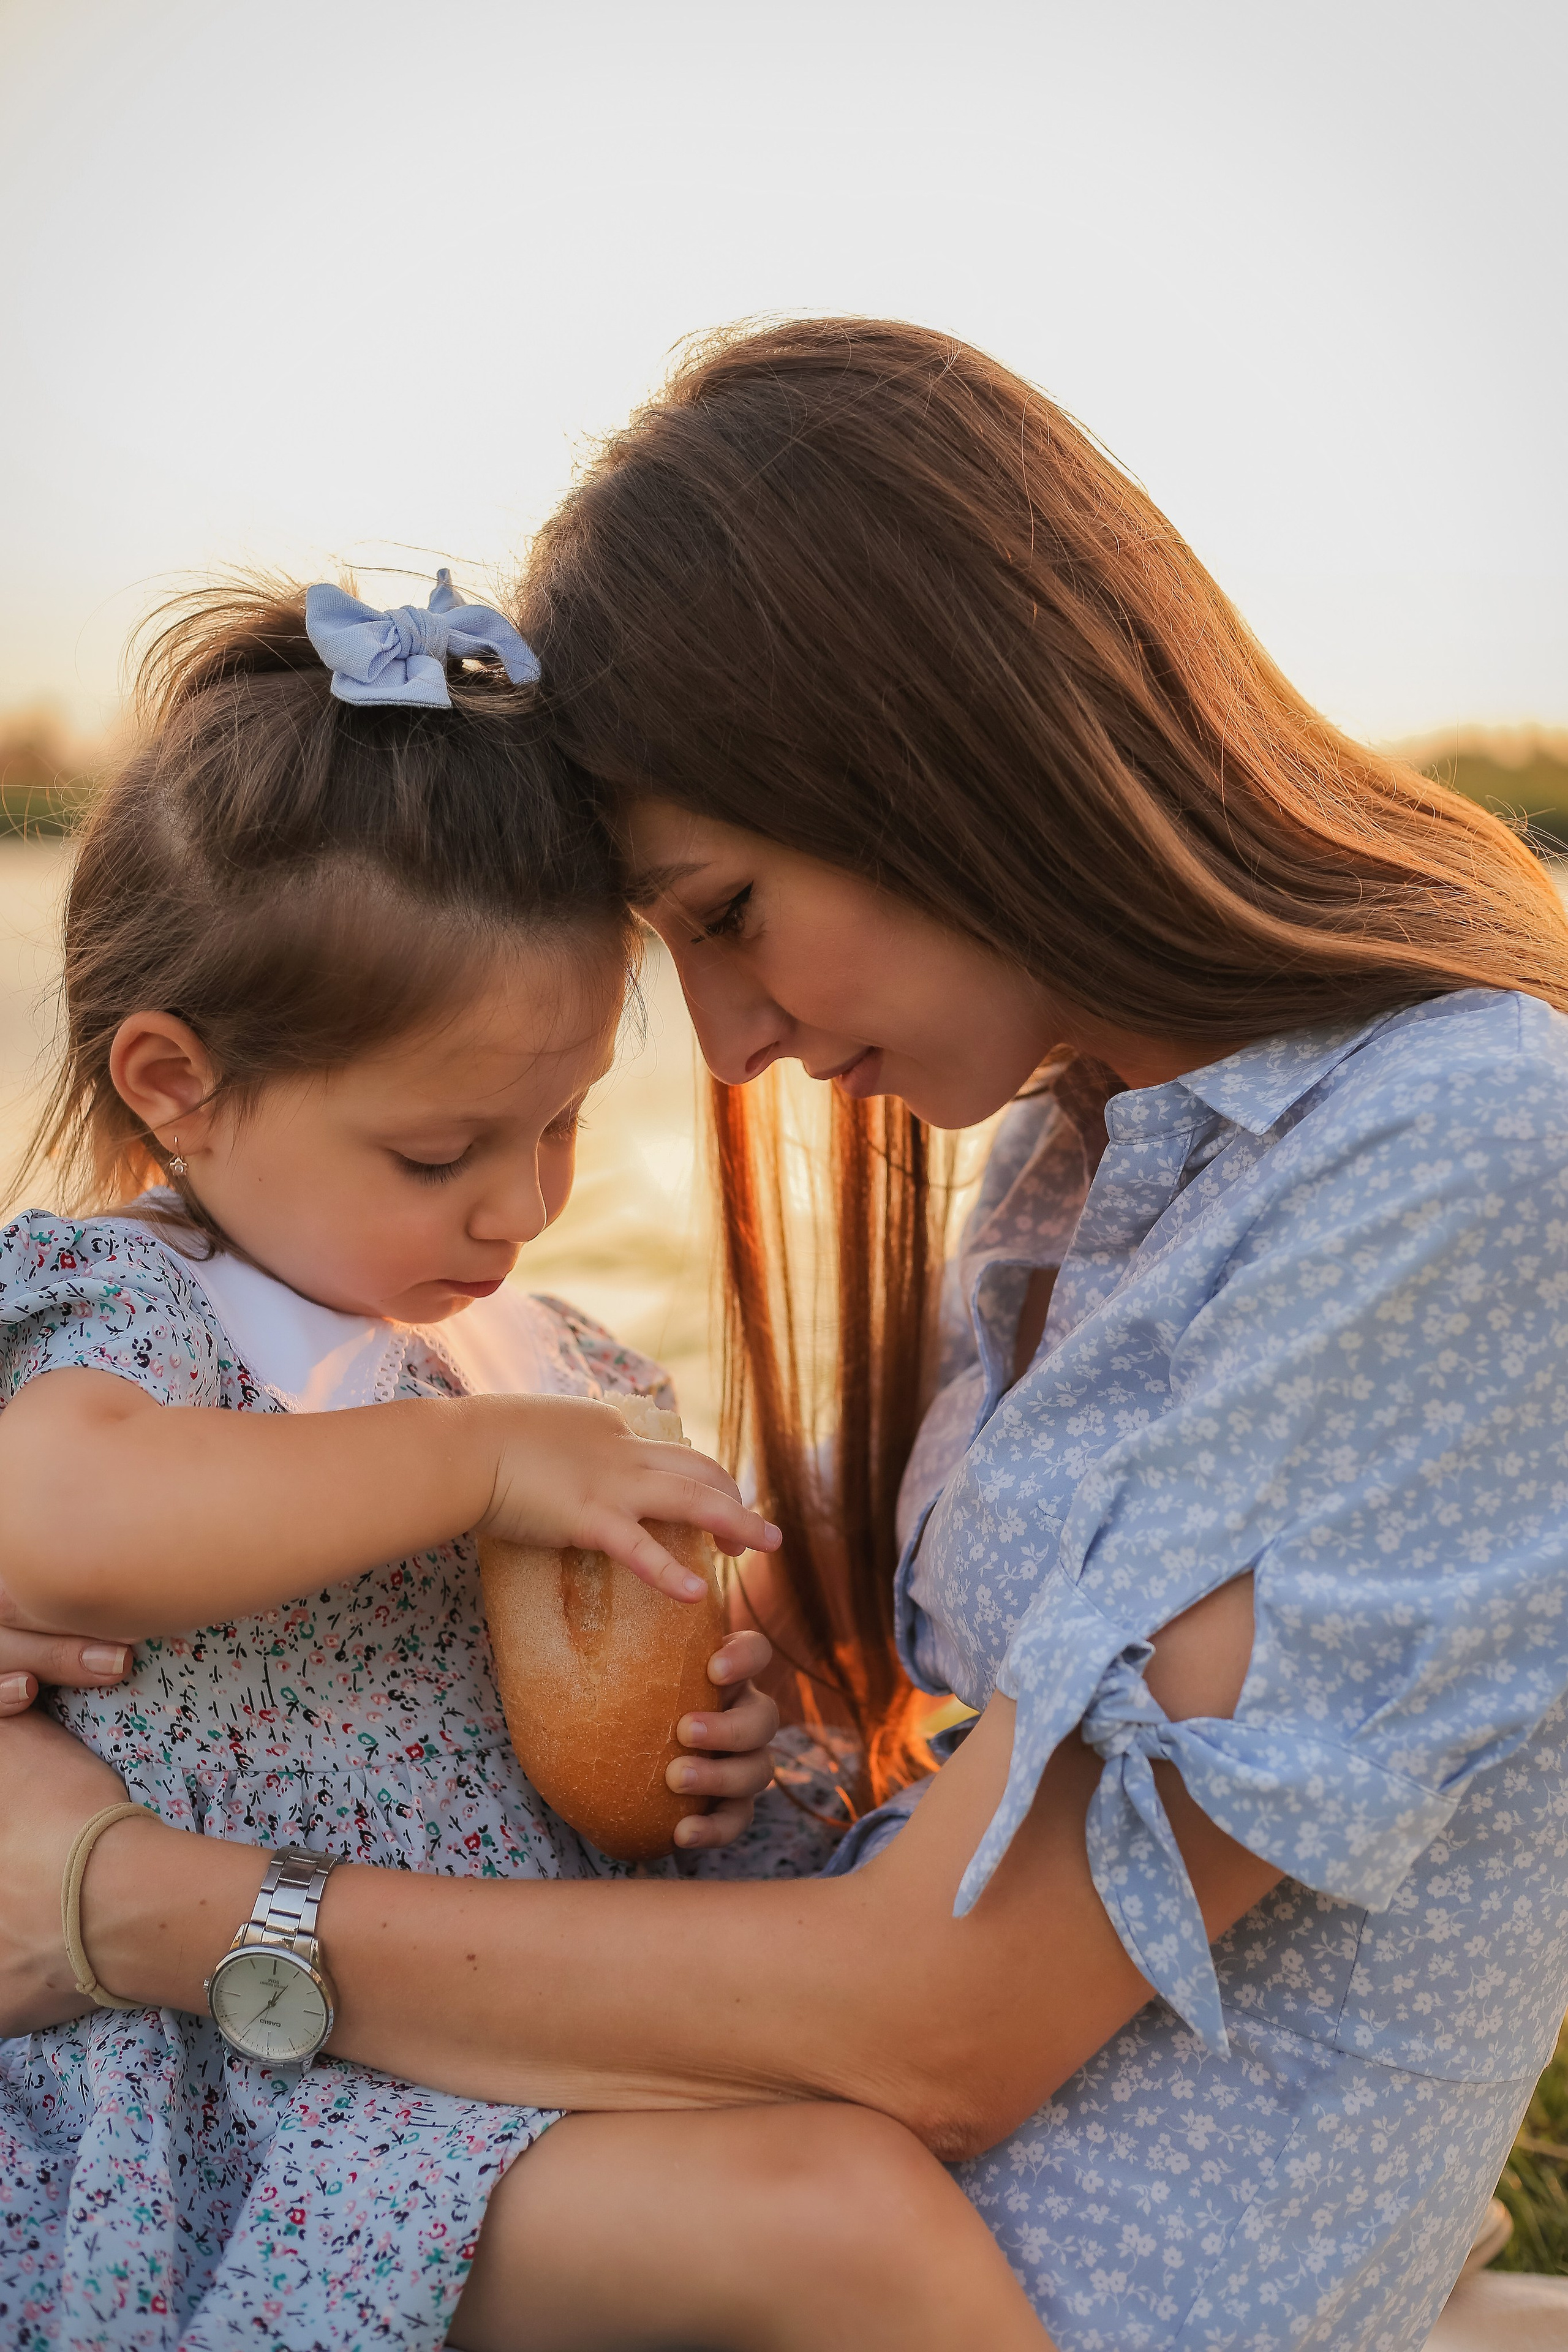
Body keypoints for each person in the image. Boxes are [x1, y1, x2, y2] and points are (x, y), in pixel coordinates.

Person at [5, 315, 1567, 2349]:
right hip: (648, 2196)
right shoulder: (1076, 1175)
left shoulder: (1467, 1148)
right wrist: (738, 1746)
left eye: (726, 913)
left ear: (940, 751)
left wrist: (116, 1898)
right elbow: (876, 1766)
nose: (730, 1051)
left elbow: (949, 2024)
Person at [0, 570, 1047, 2352]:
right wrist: (479, 1463)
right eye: (439, 1149)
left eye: (563, 1121)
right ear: (174, 1080)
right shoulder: (138, 1312)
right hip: (236, 2107)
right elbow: (55, 1529)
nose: (524, 1203)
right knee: (840, 2225)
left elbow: (604, 1765)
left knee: (870, 2161)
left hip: (503, 2052)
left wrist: (734, 1749)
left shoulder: (545, 1369)